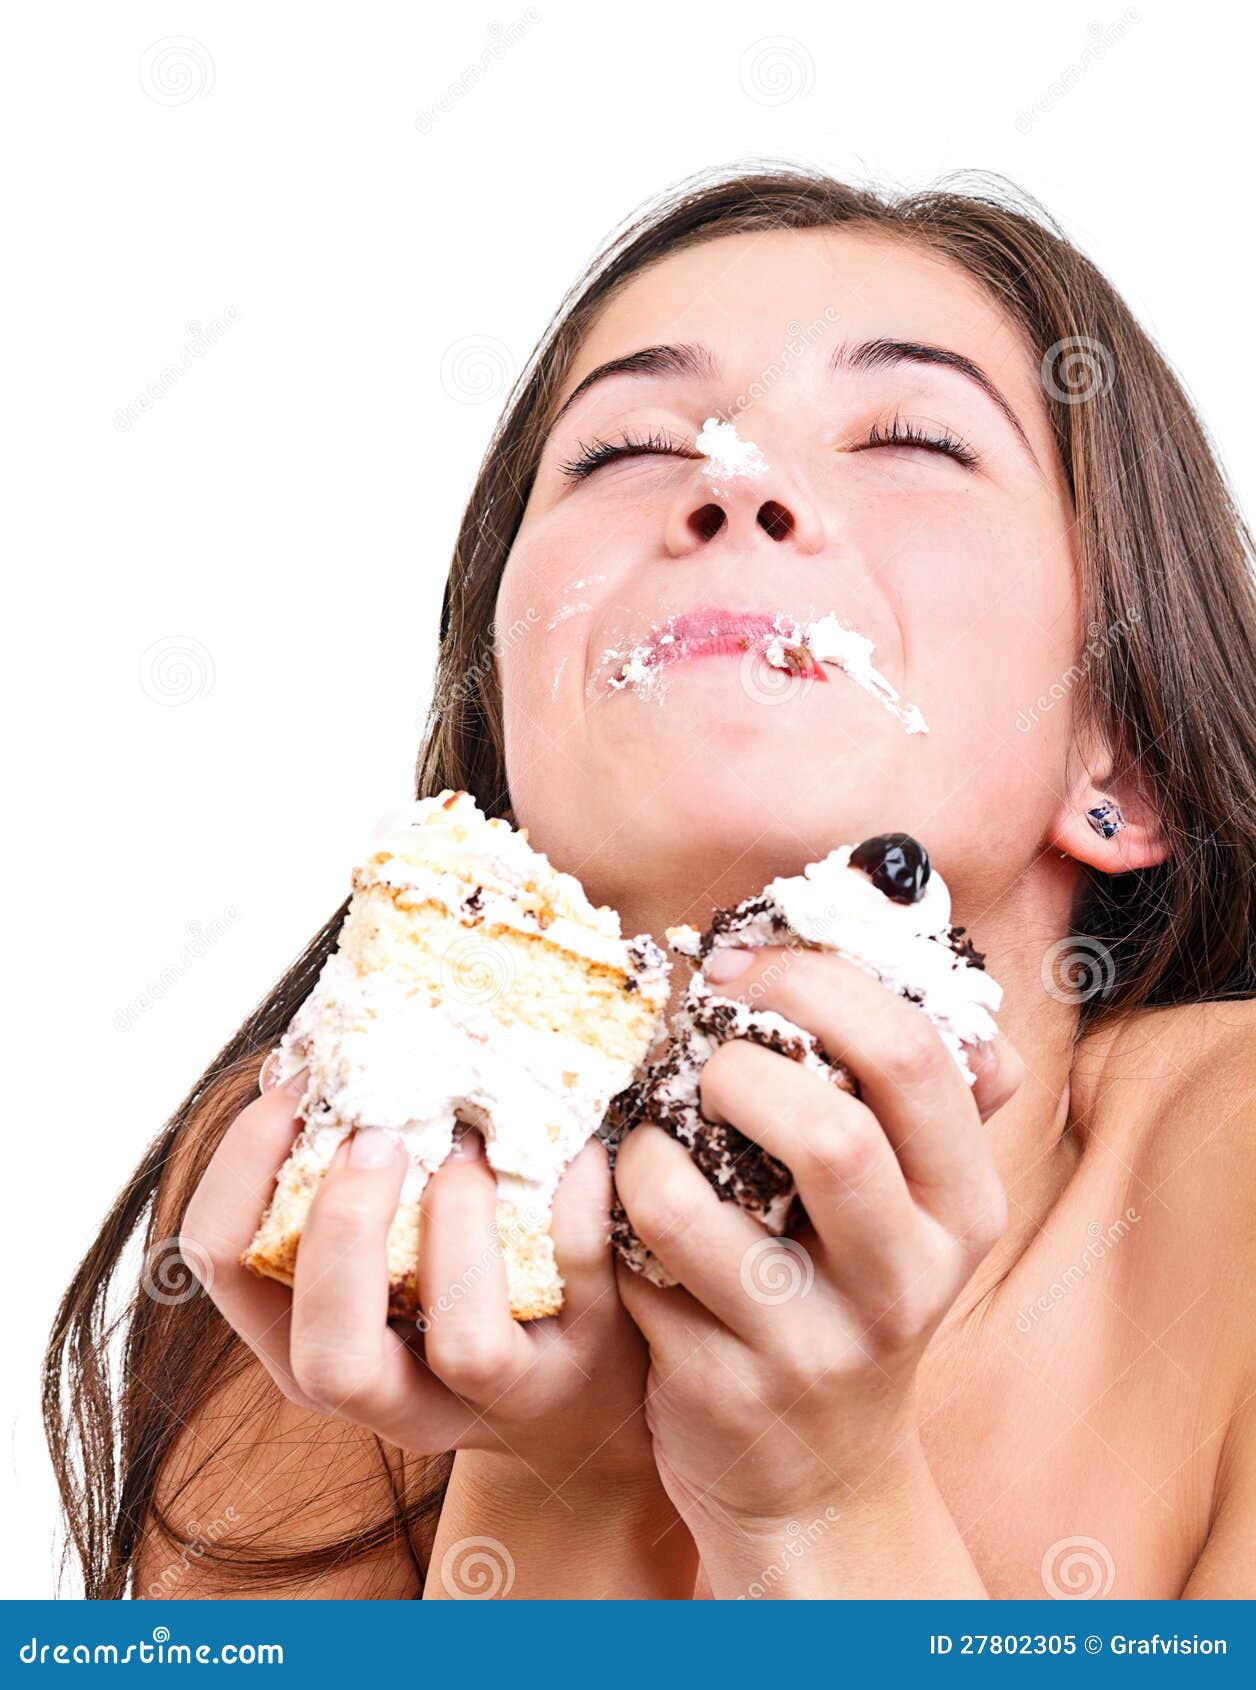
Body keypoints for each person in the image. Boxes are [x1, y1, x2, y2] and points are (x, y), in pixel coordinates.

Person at [46, 165, 1256, 1600]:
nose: (734, 480)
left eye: (916, 436)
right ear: (507, 748)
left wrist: (814, 1495)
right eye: (625, 449)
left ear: (1126, 765)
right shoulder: (317, 1223)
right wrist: (566, 1470)